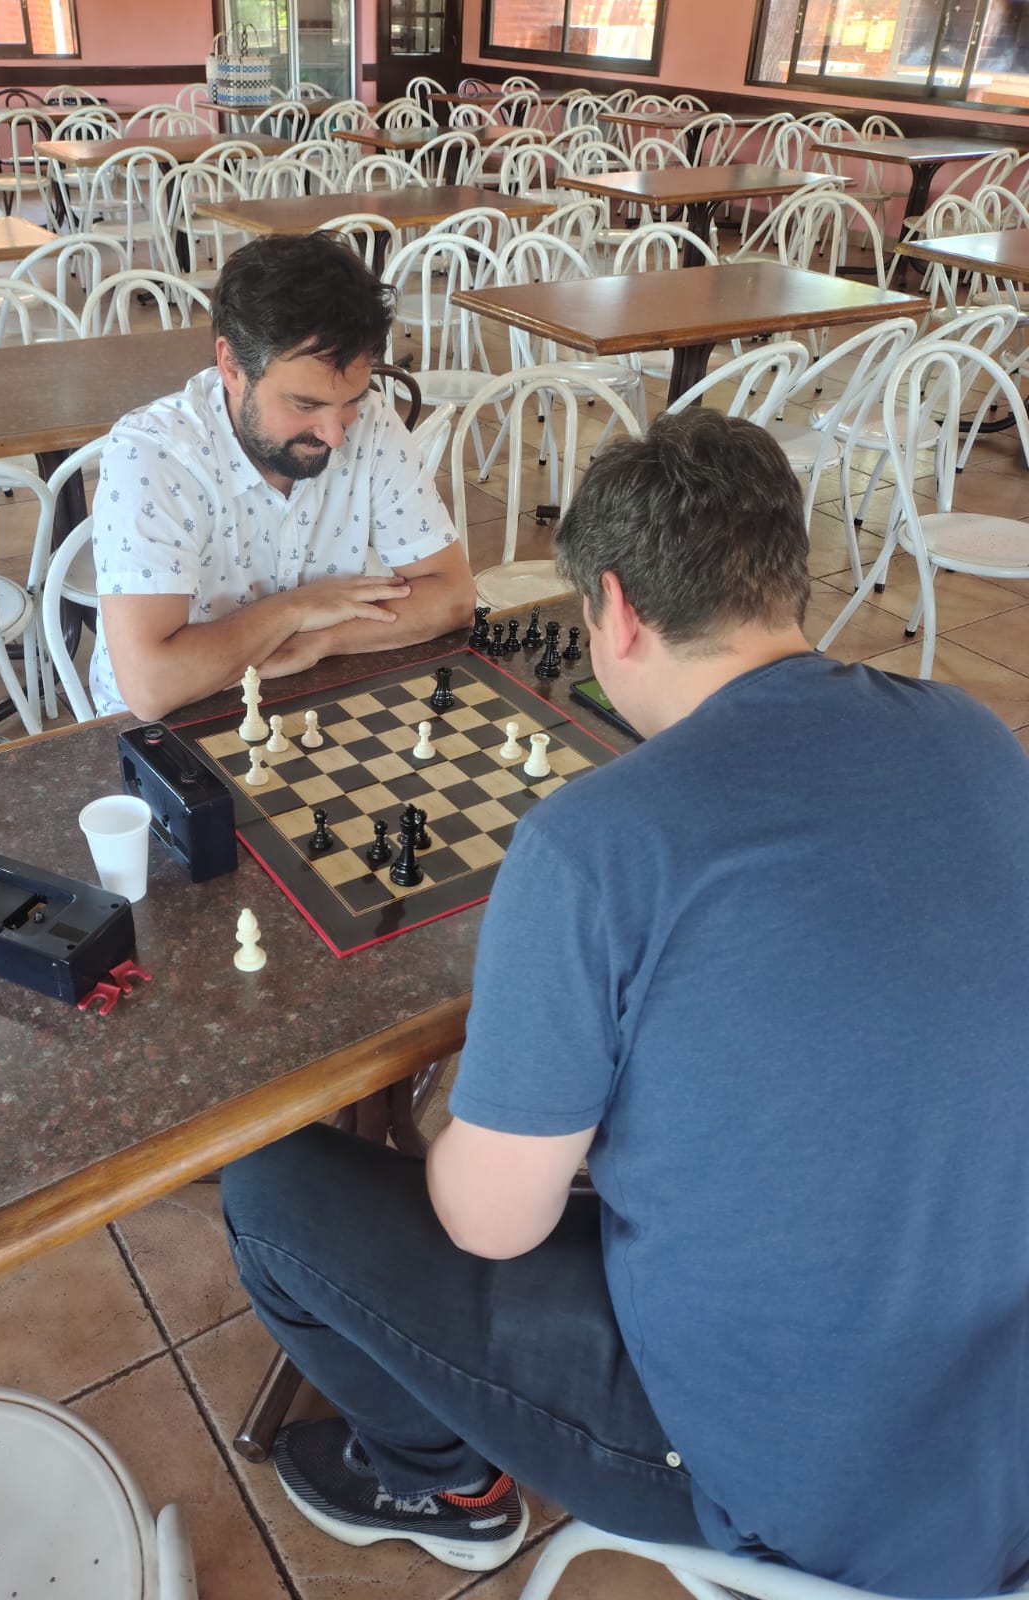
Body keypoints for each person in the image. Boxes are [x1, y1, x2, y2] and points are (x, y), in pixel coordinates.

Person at [219, 409, 1029, 1595]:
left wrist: (497, 1104)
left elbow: (492, 1224)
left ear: (617, 608)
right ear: (784, 572)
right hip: (1002, 1422)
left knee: (271, 1190)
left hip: (803, 1485)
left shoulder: (594, 843)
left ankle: (441, 1484)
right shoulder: (974, 733)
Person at [88, 233, 475, 719]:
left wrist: (321, 638)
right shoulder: (154, 456)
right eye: (305, 405)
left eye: (351, 400)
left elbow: (453, 596)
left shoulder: (373, 423)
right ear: (232, 366)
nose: (335, 434)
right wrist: (295, 609)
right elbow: (152, 687)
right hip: (170, 724)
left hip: (307, 694)